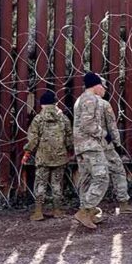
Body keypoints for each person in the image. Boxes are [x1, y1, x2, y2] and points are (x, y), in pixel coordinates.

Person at [22, 91, 73, 221]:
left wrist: (27, 154)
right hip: (60, 157)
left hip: (42, 158)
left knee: (40, 184)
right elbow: (69, 139)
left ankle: (38, 211)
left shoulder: (38, 119)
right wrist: (70, 151)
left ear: (42, 104)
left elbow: (33, 140)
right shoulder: (64, 118)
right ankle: (57, 210)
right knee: (57, 184)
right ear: (56, 103)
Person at [73, 72, 109, 229]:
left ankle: (89, 213)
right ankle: (85, 210)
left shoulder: (80, 99)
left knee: (87, 179)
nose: (103, 89)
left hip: (81, 146)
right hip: (90, 145)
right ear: (97, 85)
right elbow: (87, 125)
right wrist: (104, 134)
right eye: (102, 86)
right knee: (102, 177)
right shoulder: (90, 99)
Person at [101, 90, 132, 215]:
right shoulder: (103, 104)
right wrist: (116, 143)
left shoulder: (80, 103)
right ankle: (123, 203)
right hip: (104, 144)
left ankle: (87, 208)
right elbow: (112, 126)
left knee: (90, 175)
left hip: (87, 146)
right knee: (118, 170)